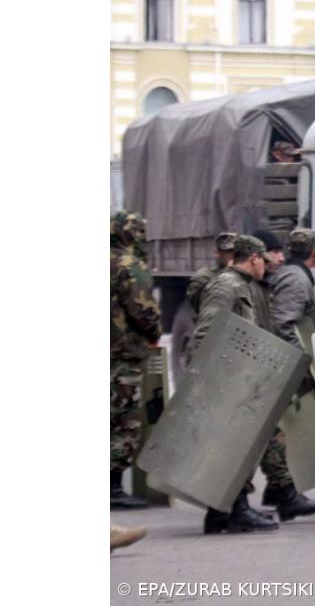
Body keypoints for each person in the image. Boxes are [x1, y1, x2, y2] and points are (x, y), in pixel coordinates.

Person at [193, 235, 280, 533]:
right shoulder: (226, 286)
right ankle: (236, 510)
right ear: (254, 258)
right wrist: (217, 377)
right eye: (264, 260)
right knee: (234, 444)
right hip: (226, 377)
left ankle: (220, 513)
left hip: (238, 375)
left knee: (231, 444)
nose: (266, 266)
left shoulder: (241, 285)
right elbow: (206, 331)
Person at [260, 228, 315, 521]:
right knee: (270, 429)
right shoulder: (296, 280)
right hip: (281, 363)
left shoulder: (292, 275)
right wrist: (298, 363)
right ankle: (282, 492)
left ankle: (278, 489)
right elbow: (284, 324)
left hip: (276, 361)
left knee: (273, 428)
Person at [110, 212, 162, 510]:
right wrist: (153, 333)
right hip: (121, 354)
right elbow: (143, 312)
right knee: (123, 421)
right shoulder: (129, 265)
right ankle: (113, 487)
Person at [185, 232, 237, 313]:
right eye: (229, 252)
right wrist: (226, 274)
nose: (233, 256)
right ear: (217, 253)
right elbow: (197, 303)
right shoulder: (204, 276)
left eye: (237, 252)